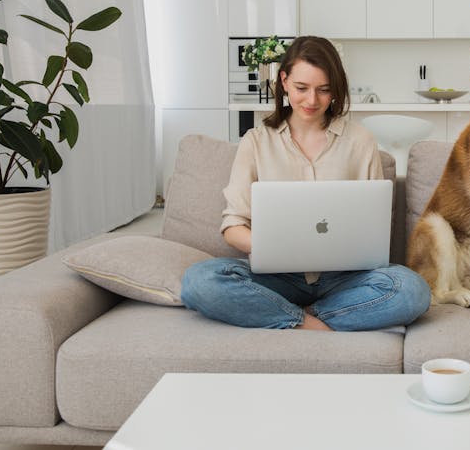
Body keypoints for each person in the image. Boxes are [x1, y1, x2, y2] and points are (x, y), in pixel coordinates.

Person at [181, 36, 431, 331]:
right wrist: (274, 248)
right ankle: (312, 322)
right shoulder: (256, 142)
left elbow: (373, 228)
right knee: (200, 280)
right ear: (284, 81)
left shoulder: (360, 141)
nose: (312, 101)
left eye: (324, 90)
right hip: (277, 277)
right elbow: (233, 227)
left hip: (344, 277)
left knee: (411, 290)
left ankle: (291, 315)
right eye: (302, 88)